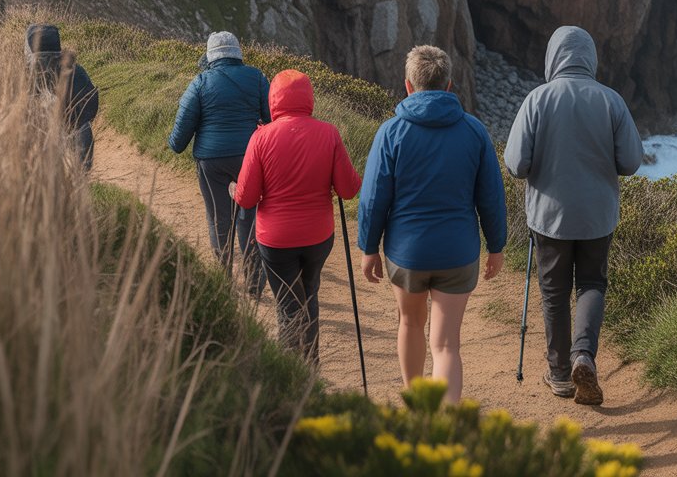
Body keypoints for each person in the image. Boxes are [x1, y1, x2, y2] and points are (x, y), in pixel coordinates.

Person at [358, 45, 506, 403]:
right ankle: (449, 426)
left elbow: (374, 197)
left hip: (406, 253)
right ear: (450, 85)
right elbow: (491, 195)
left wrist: (369, 248)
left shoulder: (391, 132)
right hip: (458, 253)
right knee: (446, 344)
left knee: (409, 323)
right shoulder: (474, 132)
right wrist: (497, 246)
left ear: (408, 86)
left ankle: (418, 407)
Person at [503, 25, 643, 406]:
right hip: (597, 215)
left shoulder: (537, 100)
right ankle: (584, 355)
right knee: (592, 284)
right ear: (590, 58)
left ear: (553, 57)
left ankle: (561, 374)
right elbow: (630, 162)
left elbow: (516, 164)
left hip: (549, 216)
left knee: (554, 291)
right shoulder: (611, 101)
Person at [234, 69, 361, 360]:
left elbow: (247, 197)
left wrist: (233, 190)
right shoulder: (329, 133)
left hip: (276, 240)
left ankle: (293, 373)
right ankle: (310, 364)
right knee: (309, 293)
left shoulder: (261, 138)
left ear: (274, 100)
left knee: (288, 304)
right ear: (309, 98)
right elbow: (349, 190)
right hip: (318, 237)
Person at [168, 31, 270, 294]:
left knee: (218, 218)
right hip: (249, 156)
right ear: (237, 52)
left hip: (211, 160)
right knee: (249, 216)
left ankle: (224, 282)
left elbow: (180, 135)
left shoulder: (200, 82)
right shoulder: (257, 78)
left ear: (211, 55)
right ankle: (255, 283)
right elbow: (273, 118)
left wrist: (174, 143)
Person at [25, 24, 99, 168]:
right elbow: (89, 105)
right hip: (74, 127)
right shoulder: (76, 71)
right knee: (82, 127)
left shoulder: (27, 74)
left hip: (62, 130)